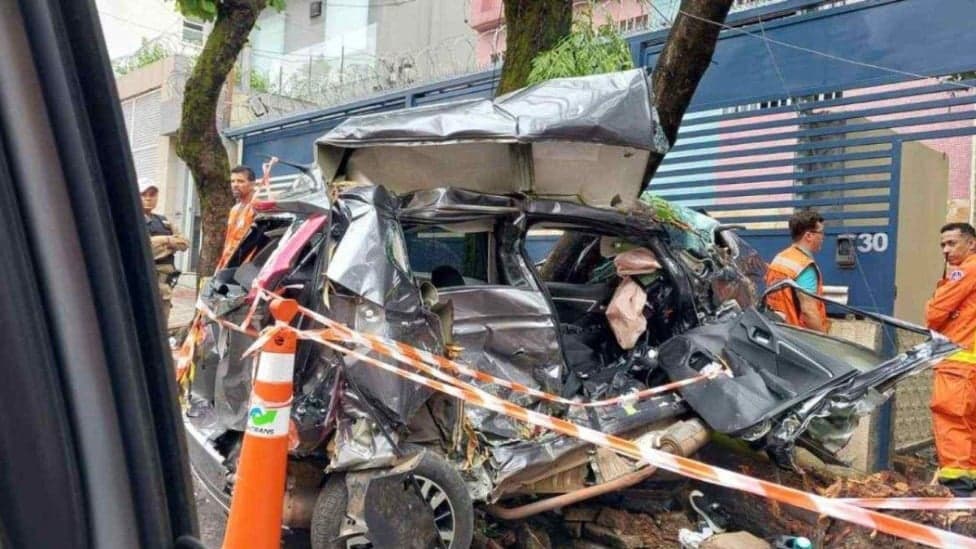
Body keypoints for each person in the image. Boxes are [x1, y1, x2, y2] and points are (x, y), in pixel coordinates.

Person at [926, 222, 976, 495]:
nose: (946, 250)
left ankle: (957, 487)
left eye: (952, 243)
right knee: (969, 423)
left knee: (951, 418)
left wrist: (938, 293)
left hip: (958, 361)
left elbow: (934, 314)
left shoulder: (965, 271)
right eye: (942, 245)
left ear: (971, 243)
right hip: (970, 363)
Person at [763, 210, 829, 333]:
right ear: (809, 236)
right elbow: (808, 311)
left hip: (777, 331)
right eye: (821, 233)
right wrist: (825, 341)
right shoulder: (804, 267)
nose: (823, 237)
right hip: (798, 337)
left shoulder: (780, 258)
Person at [140, 179, 189, 323]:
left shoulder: (164, 221)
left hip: (163, 286)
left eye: (152, 194)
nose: (148, 198)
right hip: (144, 280)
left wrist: (159, 243)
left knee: (161, 327)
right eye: (144, 194)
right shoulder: (130, 218)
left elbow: (184, 243)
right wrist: (167, 240)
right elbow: (144, 246)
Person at [218, 165, 257, 268]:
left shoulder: (259, 208)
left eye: (240, 181)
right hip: (229, 263)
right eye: (232, 181)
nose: (235, 185)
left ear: (252, 184)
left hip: (248, 266)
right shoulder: (234, 210)